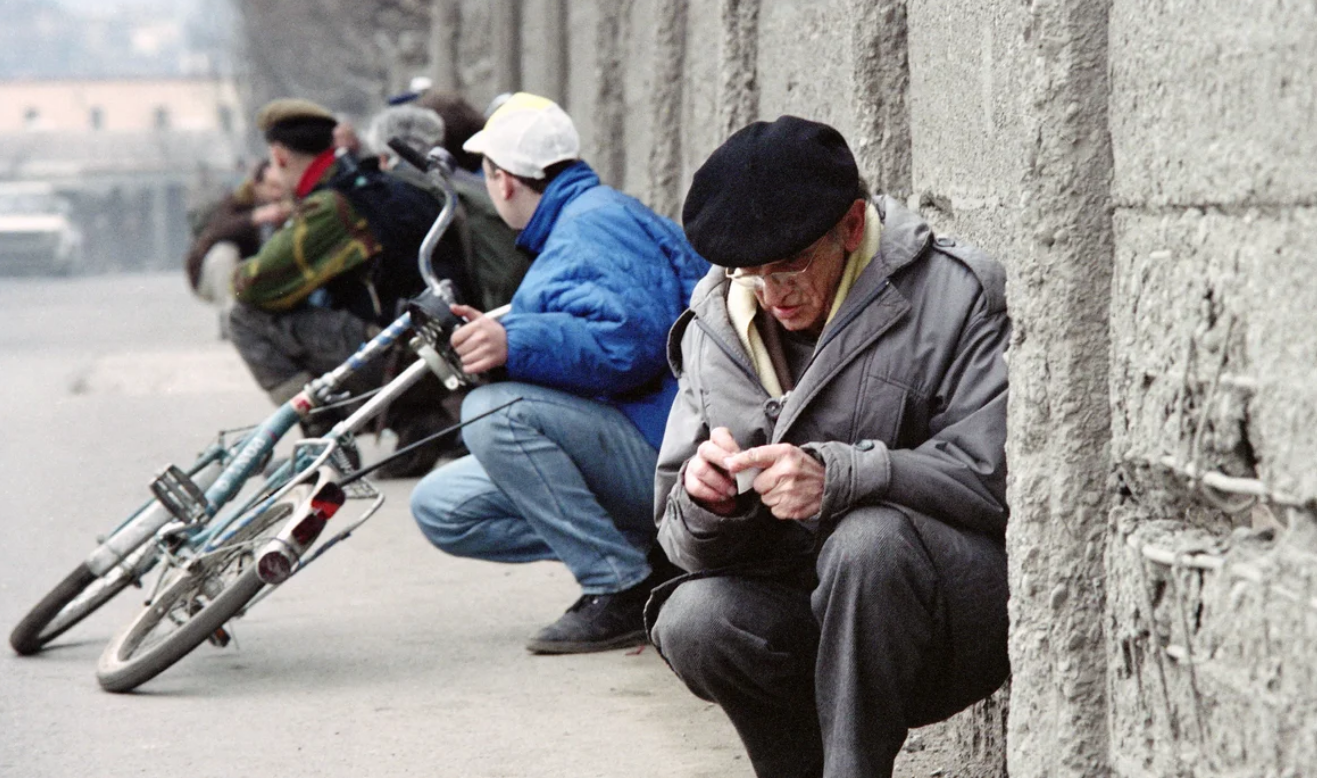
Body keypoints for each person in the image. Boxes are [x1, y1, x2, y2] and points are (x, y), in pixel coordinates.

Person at [649, 115, 1011, 778]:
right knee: (694, 617)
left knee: (866, 541)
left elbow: (994, 476)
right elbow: (676, 541)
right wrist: (707, 505)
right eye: (746, 272)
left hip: (944, 614)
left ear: (850, 226)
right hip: (802, 603)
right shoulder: (714, 321)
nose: (769, 294)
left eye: (788, 267)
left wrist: (842, 475)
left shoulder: (954, 292)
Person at [408, 92, 708, 654]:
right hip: (637, 435)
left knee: (491, 414)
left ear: (502, 180)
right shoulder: (580, 221)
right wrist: (502, 345)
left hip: (670, 449)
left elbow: (633, 342)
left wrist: (515, 341)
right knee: (442, 507)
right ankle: (651, 561)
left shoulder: (593, 223)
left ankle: (621, 587)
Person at [228, 98, 469, 440]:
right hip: (426, 349)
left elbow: (251, 284)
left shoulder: (334, 205)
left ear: (280, 155)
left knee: (244, 316)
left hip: (401, 358)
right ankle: (413, 420)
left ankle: (319, 423)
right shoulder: (366, 182)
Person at [183, 159, 291, 336]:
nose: (277, 194)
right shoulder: (237, 202)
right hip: (223, 280)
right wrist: (254, 218)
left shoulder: (293, 204)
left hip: (265, 280)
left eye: (281, 187)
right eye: (272, 187)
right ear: (257, 185)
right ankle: (230, 317)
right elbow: (214, 232)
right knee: (223, 251)